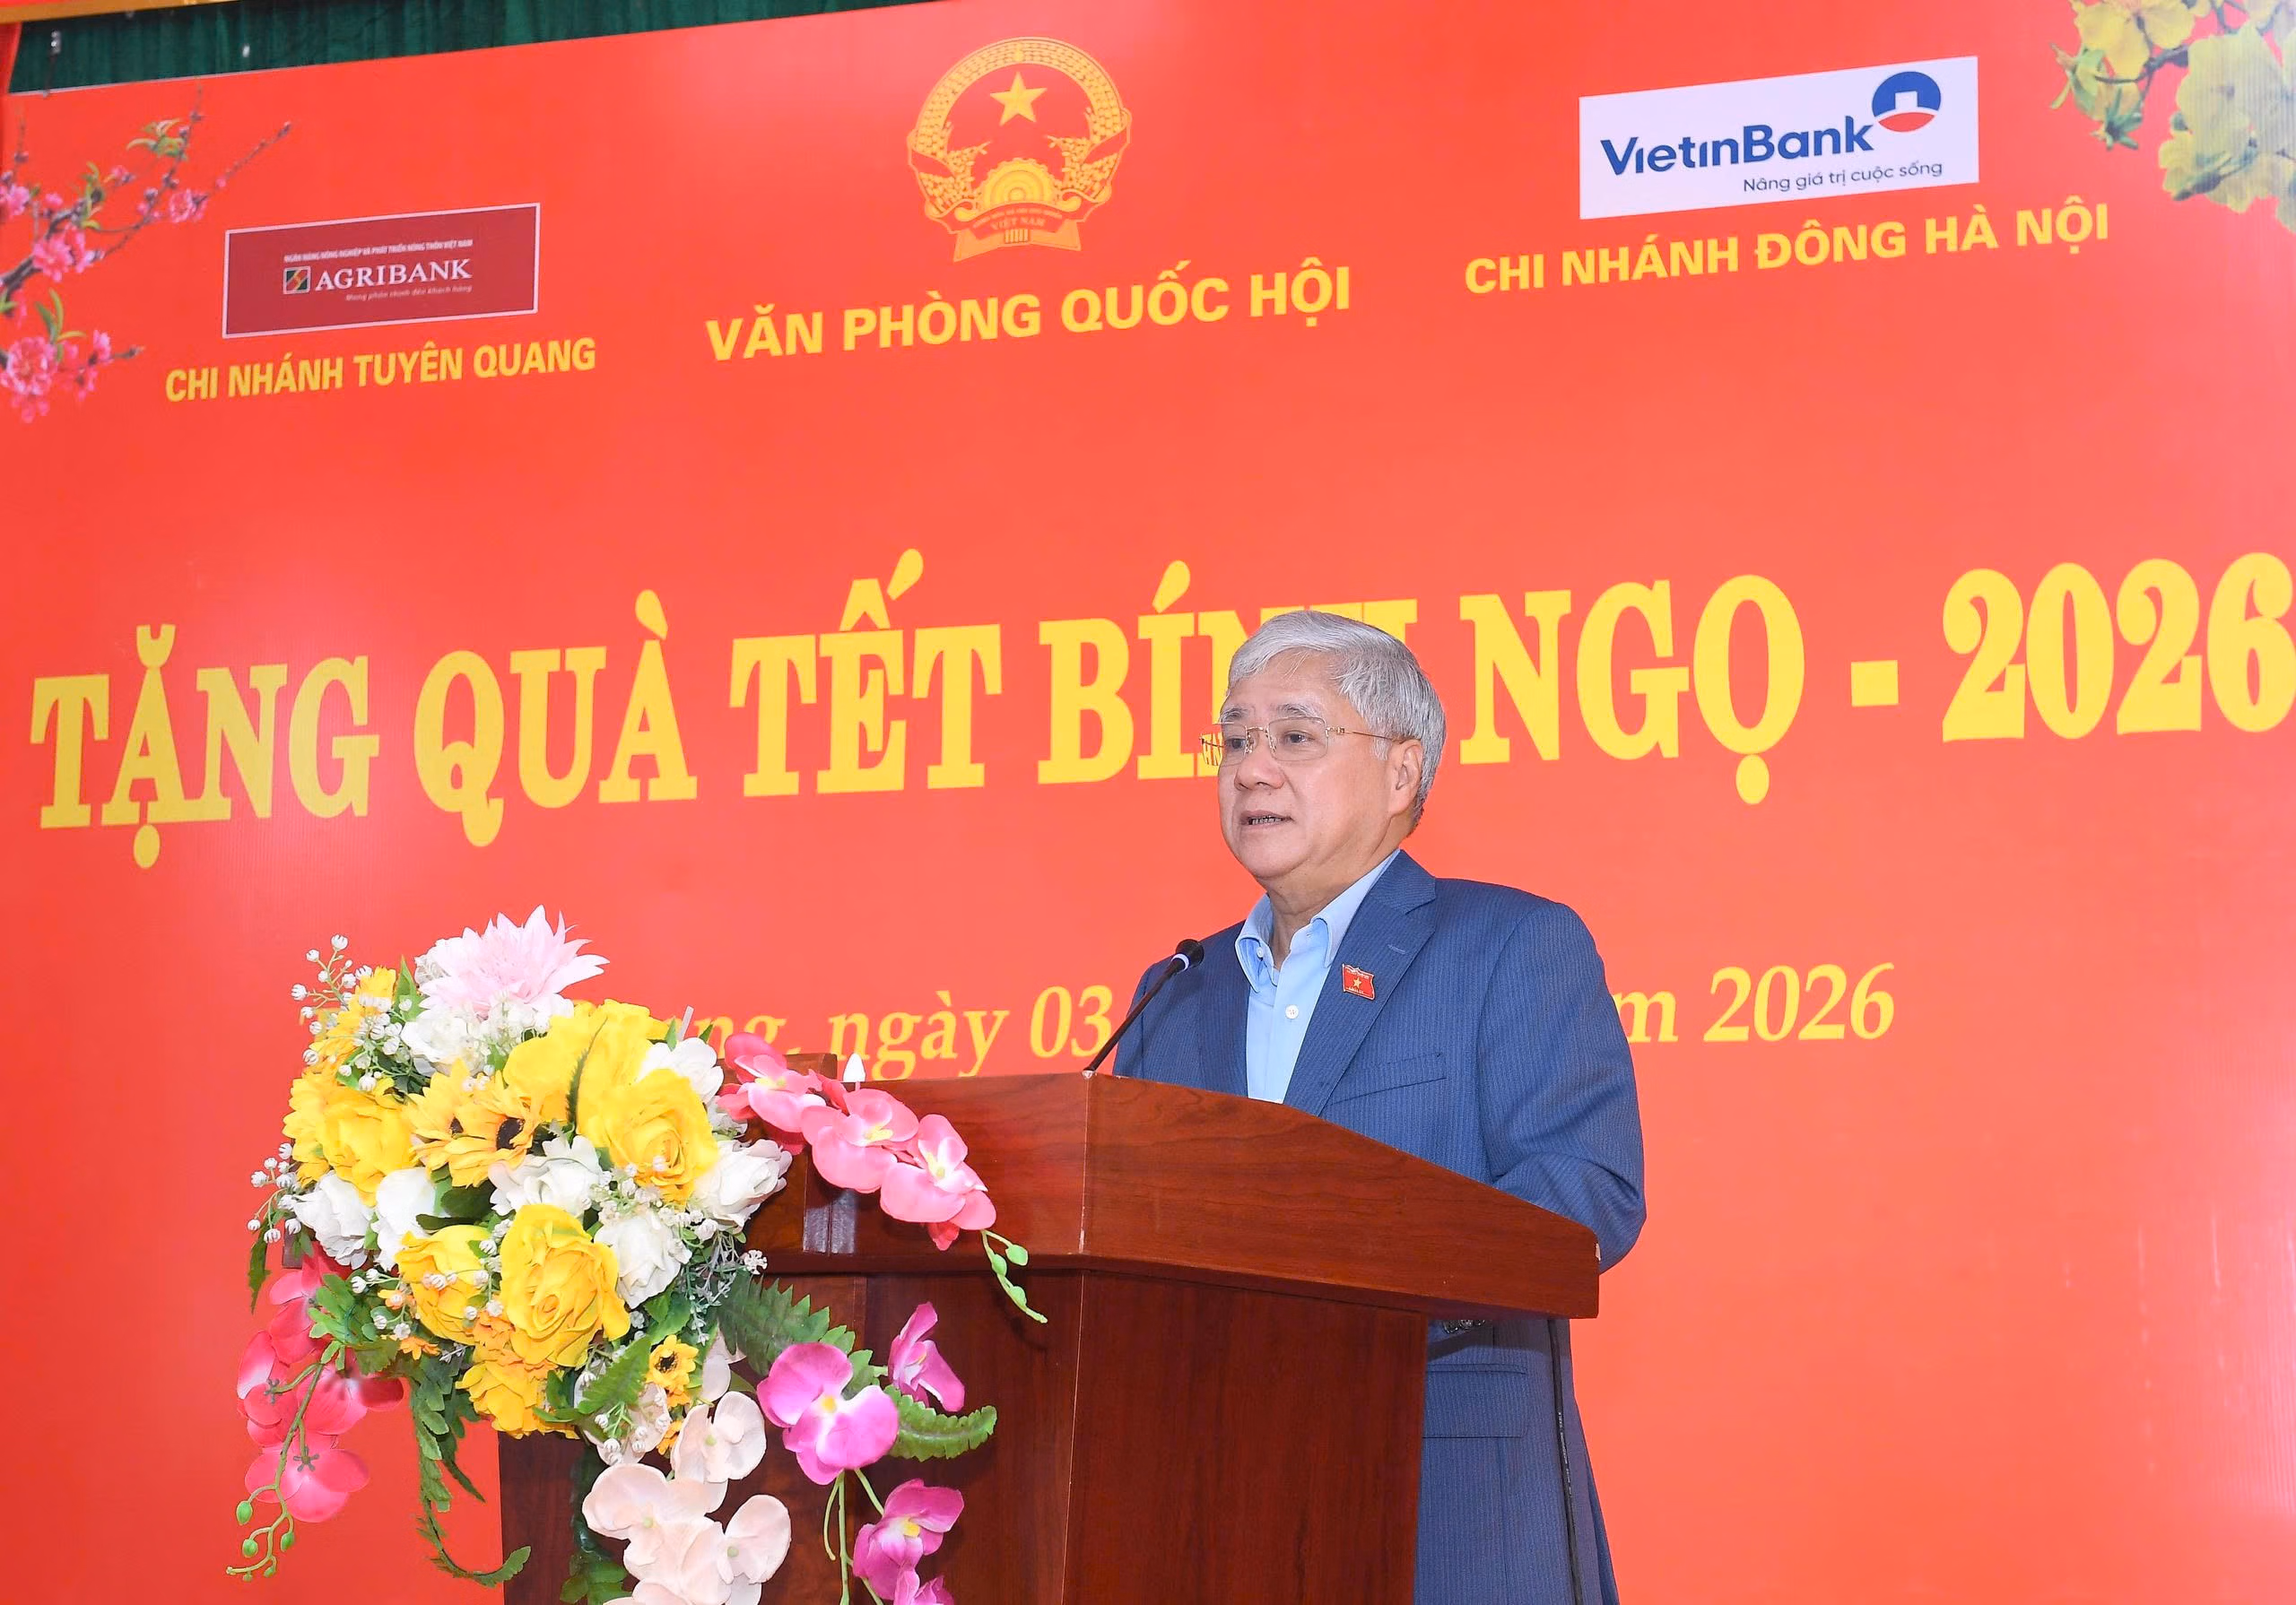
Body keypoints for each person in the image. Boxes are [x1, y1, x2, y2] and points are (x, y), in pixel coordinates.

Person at [1123, 609, 1646, 1605]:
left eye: (1294, 735)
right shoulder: (1176, 993)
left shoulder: (1508, 945)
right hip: (1210, 1508)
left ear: (1401, 772)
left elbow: (1583, 1199)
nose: (1252, 769)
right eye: (1234, 739)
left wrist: (1341, 1283)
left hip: (1448, 1505)